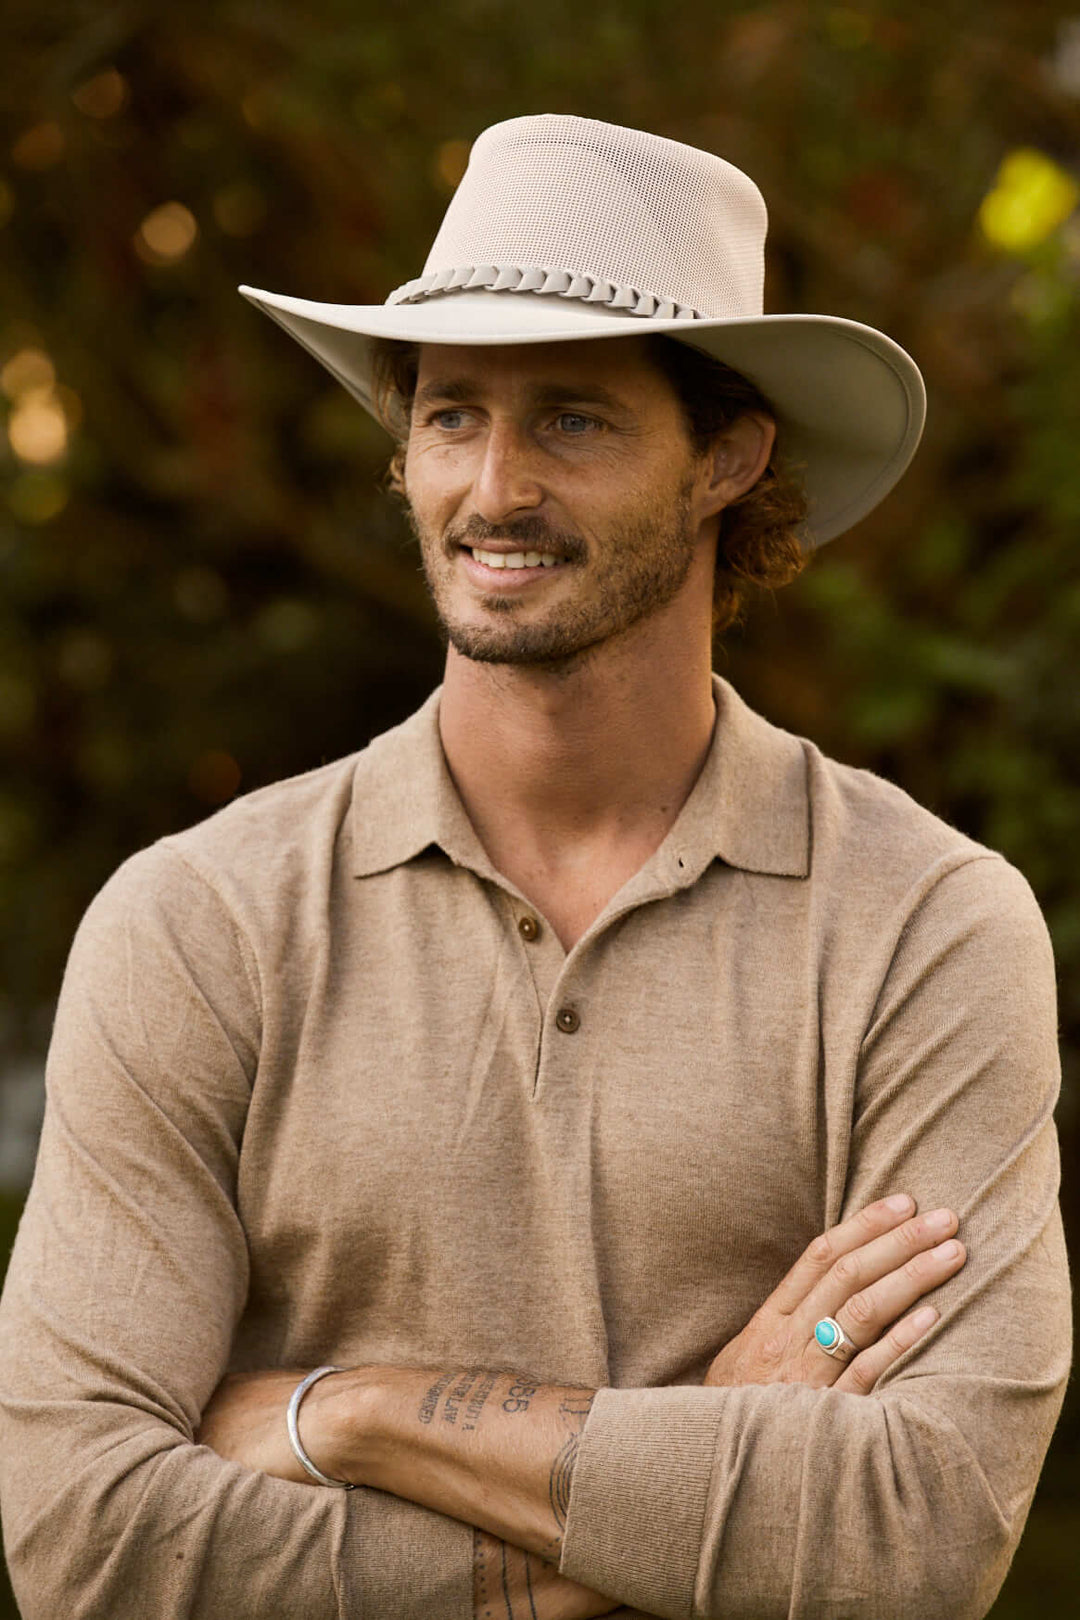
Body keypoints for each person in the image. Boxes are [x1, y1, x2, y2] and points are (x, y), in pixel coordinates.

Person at [0, 114, 1070, 1620]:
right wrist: (689, 1469)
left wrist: (355, 1412)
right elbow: (88, 1545)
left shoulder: (926, 926)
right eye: (450, 417)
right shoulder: (198, 924)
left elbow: (922, 1531)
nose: (491, 487)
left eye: (571, 418)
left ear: (729, 457)